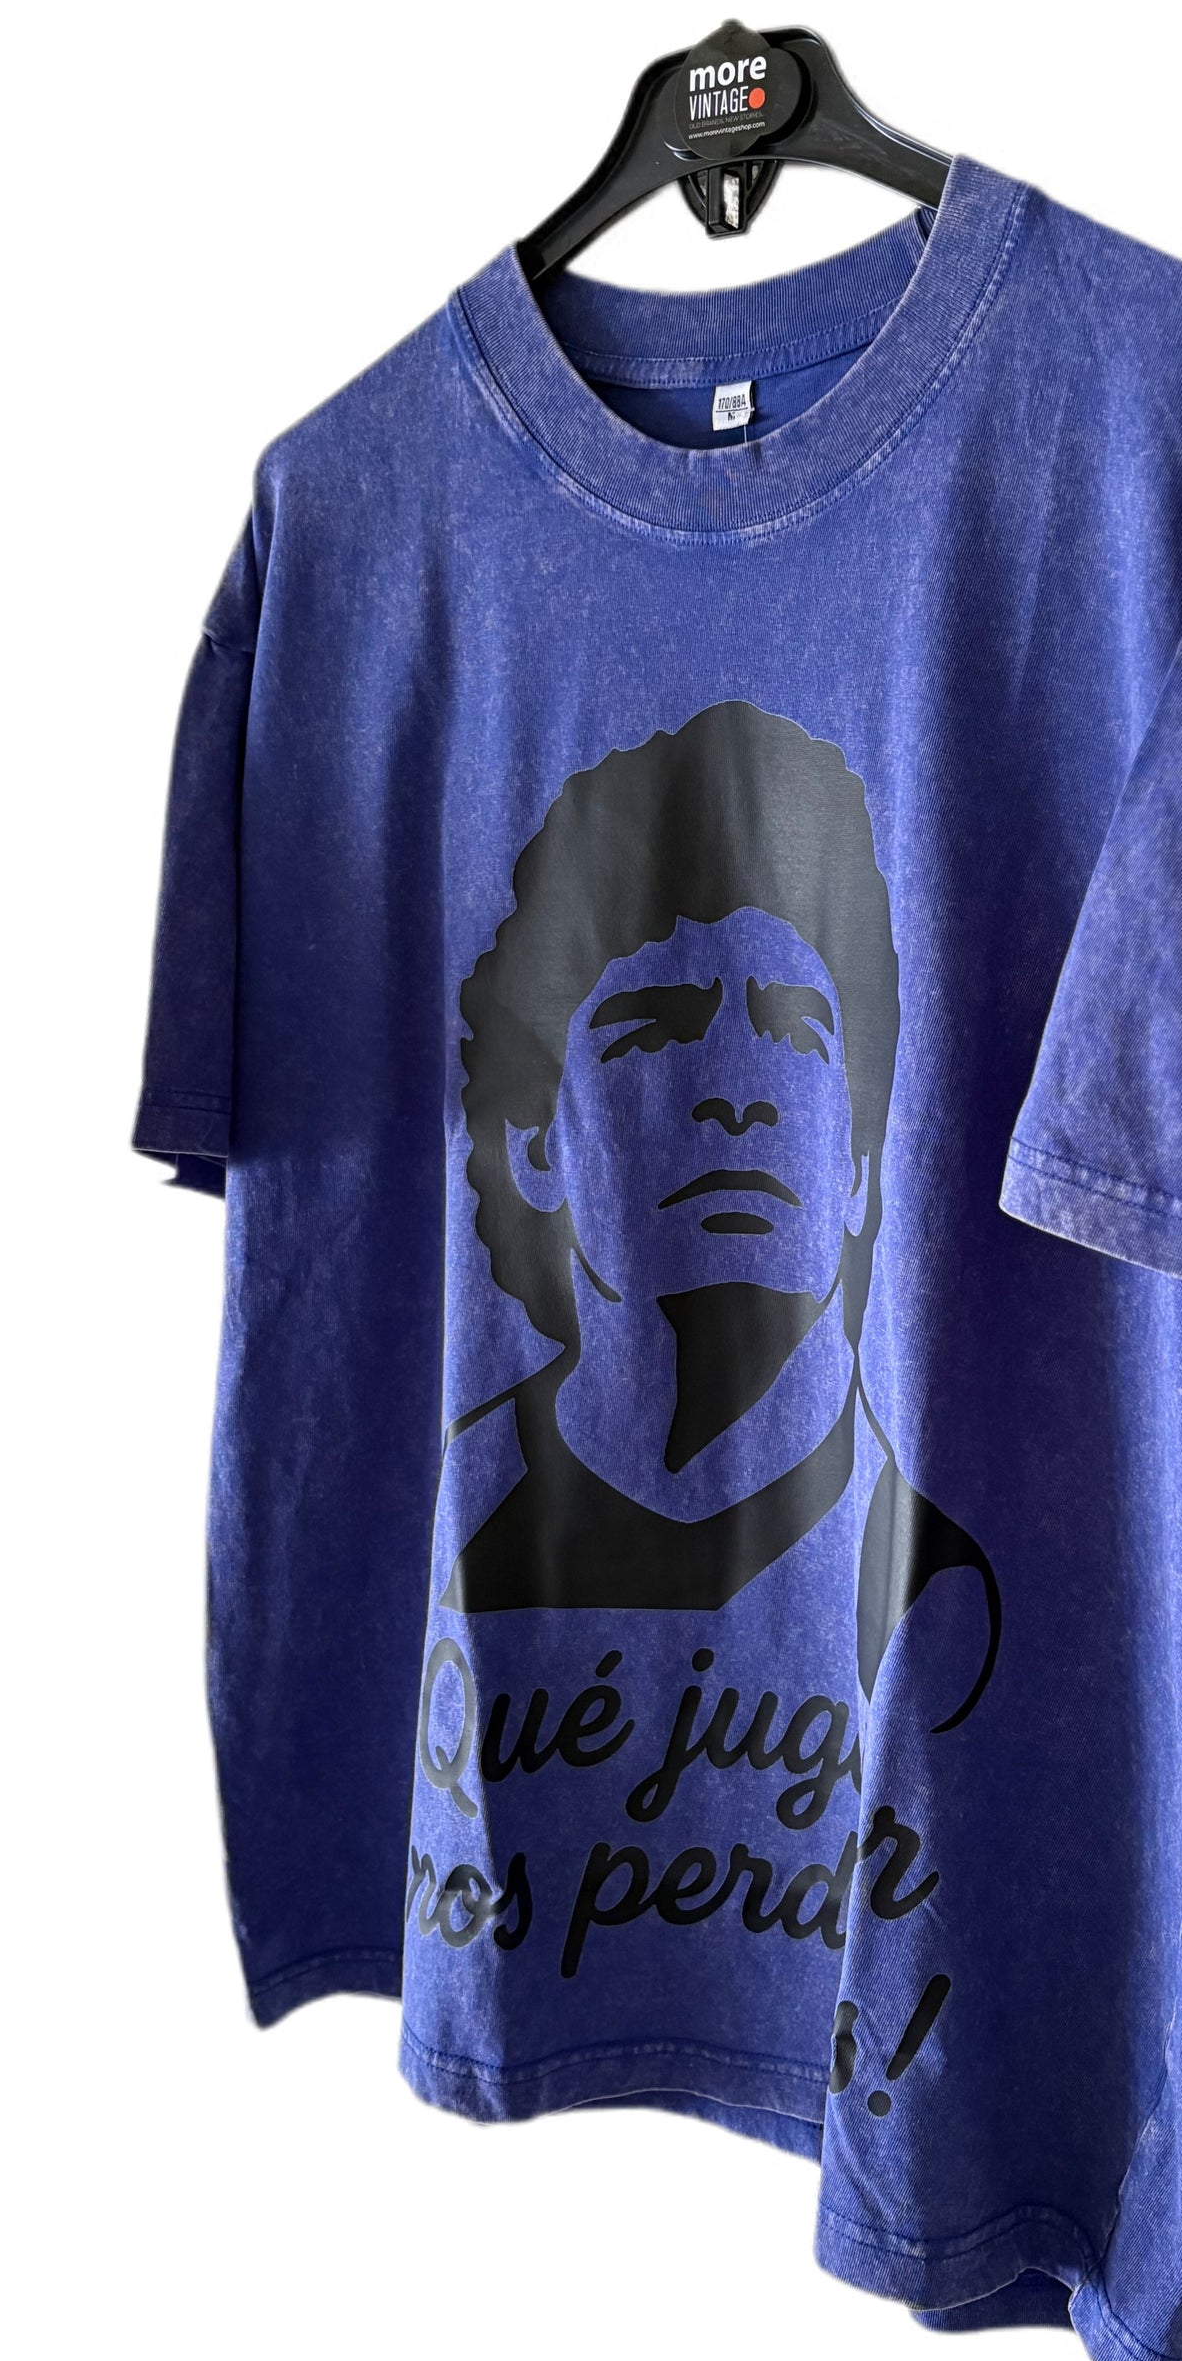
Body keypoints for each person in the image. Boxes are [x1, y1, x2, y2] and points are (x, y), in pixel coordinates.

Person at [443, 699, 999, 1727]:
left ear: (860, 1165)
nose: (737, 1094)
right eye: (656, 1030)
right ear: (534, 1144)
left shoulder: (945, 1596)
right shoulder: (442, 1526)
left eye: (793, 1029)